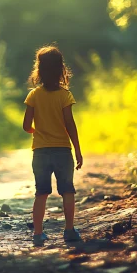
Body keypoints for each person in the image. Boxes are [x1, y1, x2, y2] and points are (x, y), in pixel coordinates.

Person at [22, 45, 83, 246]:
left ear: (38, 70)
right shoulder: (65, 96)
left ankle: (38, 234)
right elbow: (70, 125)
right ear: (61, 70)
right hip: (62, 151)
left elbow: (26, 126)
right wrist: (78, 149)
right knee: (67, 191)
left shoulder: (33, 96)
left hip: (40, 152)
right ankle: (69, 230)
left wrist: (37, 132)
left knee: (41, 193)